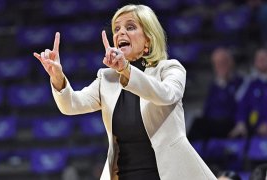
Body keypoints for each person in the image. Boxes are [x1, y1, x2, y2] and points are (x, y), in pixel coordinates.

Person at [33, 4, 216, 180]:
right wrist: (57, 76)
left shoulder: (170, 69)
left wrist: (127, 70)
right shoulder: (106, 79)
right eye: (117, 28)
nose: (121, 32)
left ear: (148, 39)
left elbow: (166, 94)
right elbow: (71, 105)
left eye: (130, 27)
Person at [188, 47, 243, 140]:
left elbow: (242, 107)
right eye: (216, 64)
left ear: (231, 63)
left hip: (230, 121)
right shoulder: (214, 86)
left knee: (200, 124)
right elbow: (207, 108)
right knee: (197, 122)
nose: (219, 66)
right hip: (213, 123)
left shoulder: (240, 83)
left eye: (222, 62)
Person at [229, 48, 267, 138]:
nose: (262, 61)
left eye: (264, 58)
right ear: (254, 63)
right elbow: (241, 104)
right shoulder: (249, 83)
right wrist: (240, 122)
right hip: (254, 131)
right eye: (259, 59)